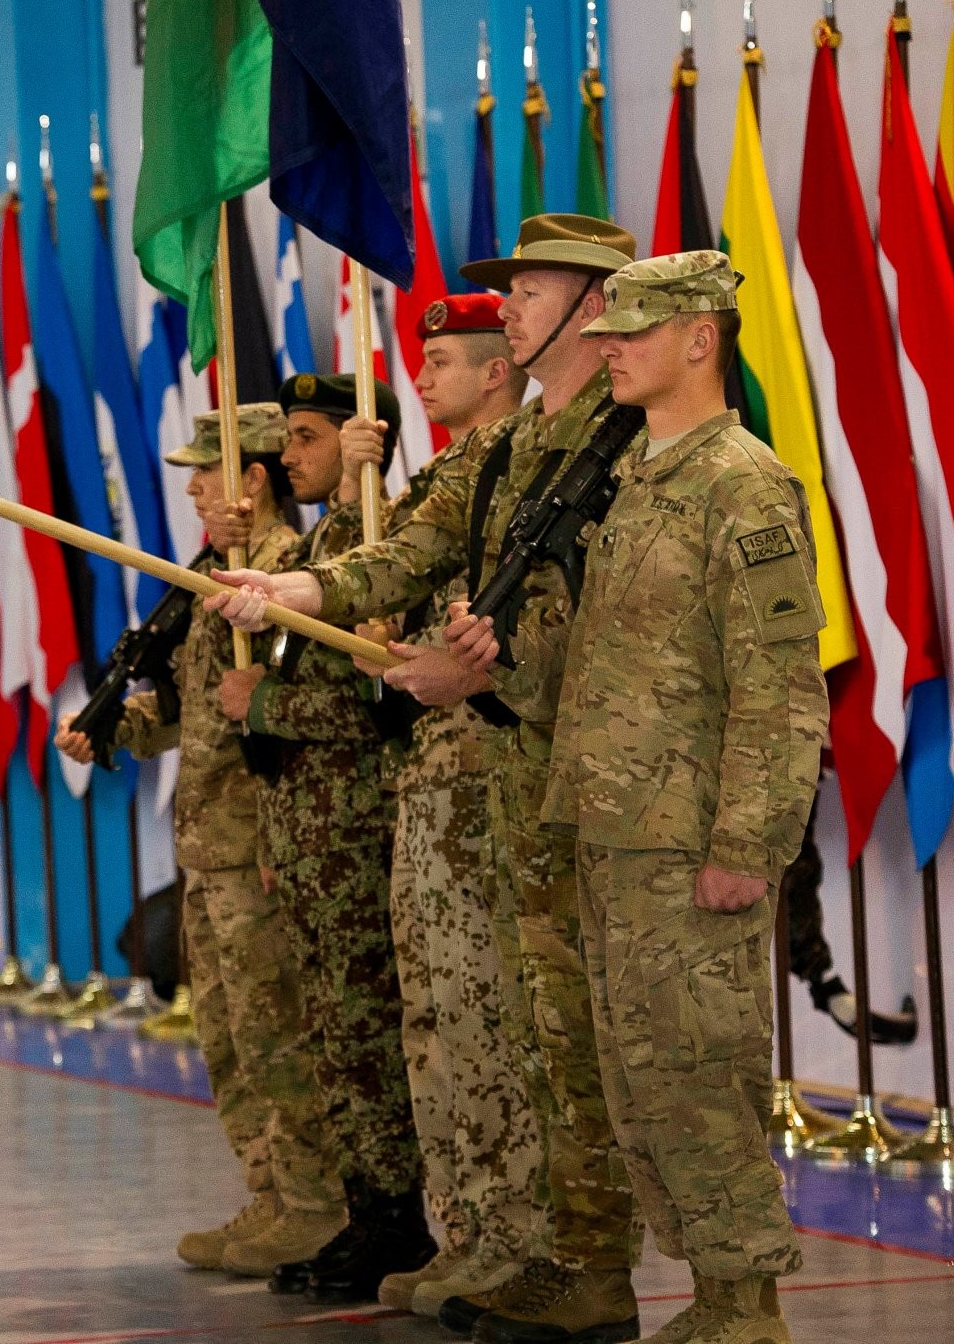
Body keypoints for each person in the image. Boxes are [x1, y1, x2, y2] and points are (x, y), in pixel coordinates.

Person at [206, 215, 645, 1344]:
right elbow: (410, 550)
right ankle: (518, 1244)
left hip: (582, 786)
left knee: (570, 1045)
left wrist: (476, 671)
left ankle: (603, 1262)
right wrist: (295, 592)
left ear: (593, 305)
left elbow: (615, 626)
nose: (505, 305)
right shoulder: (510, 450)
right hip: (503, 778)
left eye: (528, 289)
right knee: (498, 1033)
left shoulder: (633, 445)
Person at [453, 252, 824, 1344]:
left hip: (687, 845)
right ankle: (711, 1296)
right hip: (611, 833)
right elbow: (606, 672)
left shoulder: (739, 484)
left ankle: (742, 1304)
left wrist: (746, 845)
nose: (606, 347)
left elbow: (778, 689)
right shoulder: (640, 483)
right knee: (636, 1082)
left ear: (700, 340)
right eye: (603, 330)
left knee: (699, 1075)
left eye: (631, 332)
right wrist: (486, 666)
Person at [54, 406, 343, 1279]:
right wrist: (118, 727)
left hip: (264, 843)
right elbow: (192, 711)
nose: (190, 488)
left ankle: (315, 1204)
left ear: (251, 482)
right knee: (227, 1034)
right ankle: (270, 1195)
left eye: (206, 473)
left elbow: (308, 709)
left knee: (277, 1033)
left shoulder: (295, 578)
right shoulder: (206, 583)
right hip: (208, 845)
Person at [335, 299, 548, 1319]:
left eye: (439, 361)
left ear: (496, 370)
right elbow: (386, 570)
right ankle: (461, 1228)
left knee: (489, 1012)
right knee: (435, 1015)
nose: (417, 378)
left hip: (490, 768)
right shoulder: (443, 477)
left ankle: (515, 1237)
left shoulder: (528, 467)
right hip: (430, 770)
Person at [209, 374, 434, 1302]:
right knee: (335, 1034)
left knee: (370, 1031)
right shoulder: (327, 543)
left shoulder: (385, 537)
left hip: (358, 824)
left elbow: (374, 701)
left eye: (306, 437)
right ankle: (366, 1210)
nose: (286, 454)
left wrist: (262, 700)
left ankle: (398, 1218)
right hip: (307, 828)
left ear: (357, 440)